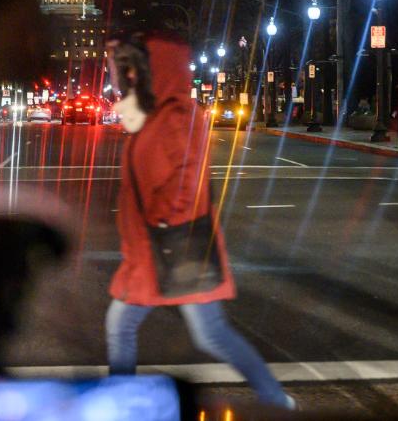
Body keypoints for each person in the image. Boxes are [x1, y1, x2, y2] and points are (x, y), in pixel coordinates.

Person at [104, 31, 295, 410]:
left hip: (175, 247)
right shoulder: (157, 115)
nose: (124, 80)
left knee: (208, 335)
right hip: (154, 251)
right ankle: (275, 398)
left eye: (129, 72)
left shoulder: (175, 117)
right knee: (135, 327)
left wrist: (163, 224)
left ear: (151, 71)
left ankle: (275, 399)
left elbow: (186, 186)